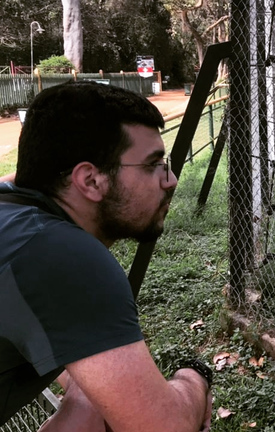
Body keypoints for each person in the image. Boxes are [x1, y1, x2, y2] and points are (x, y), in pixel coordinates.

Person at [0, 81, 213, 431]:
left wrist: (83, 397)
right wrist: (196, 377)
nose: (171, 180)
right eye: (153, 164)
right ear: (91, 181)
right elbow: (164, 427)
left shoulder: (13, 207)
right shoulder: (61, 255)